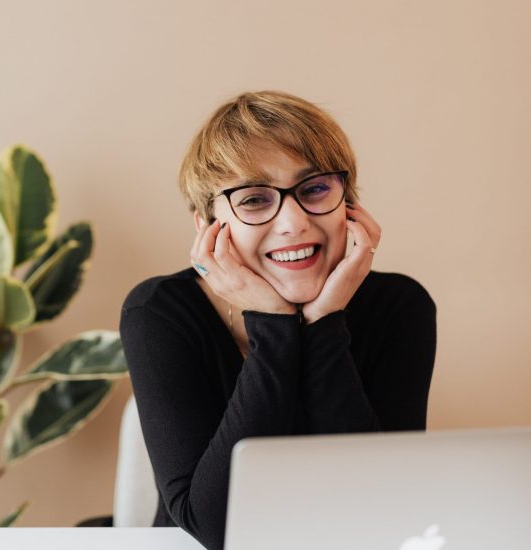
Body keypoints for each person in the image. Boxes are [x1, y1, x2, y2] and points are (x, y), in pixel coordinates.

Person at [119, 90, 437, 550]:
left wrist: (325, 321)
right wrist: (273, 324)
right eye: (253, 199)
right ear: (208, 225)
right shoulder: (159, 313)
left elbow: (384, 504)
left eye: (314, 189)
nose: (293, 222)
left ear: (348, 203)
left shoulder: (400, 307)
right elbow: (213, 526)